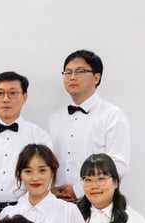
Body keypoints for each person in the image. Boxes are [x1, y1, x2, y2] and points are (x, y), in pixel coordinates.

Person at [0, 71, 53, 220]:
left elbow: (45, 179)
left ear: (24, 97)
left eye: (12, 93)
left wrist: (17, 213)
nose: (5, 99)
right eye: (0, 93)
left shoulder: (40, 137)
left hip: (27, 215)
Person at [49, 49, 131, 203]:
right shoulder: (55, 118)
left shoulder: (113, 115)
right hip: (59, 203)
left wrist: (79, 189)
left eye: (80, 71)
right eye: (68, 72)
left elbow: (118, 166)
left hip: (96, 202)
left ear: (96, 77)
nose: (72, 77)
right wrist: (50, 189)